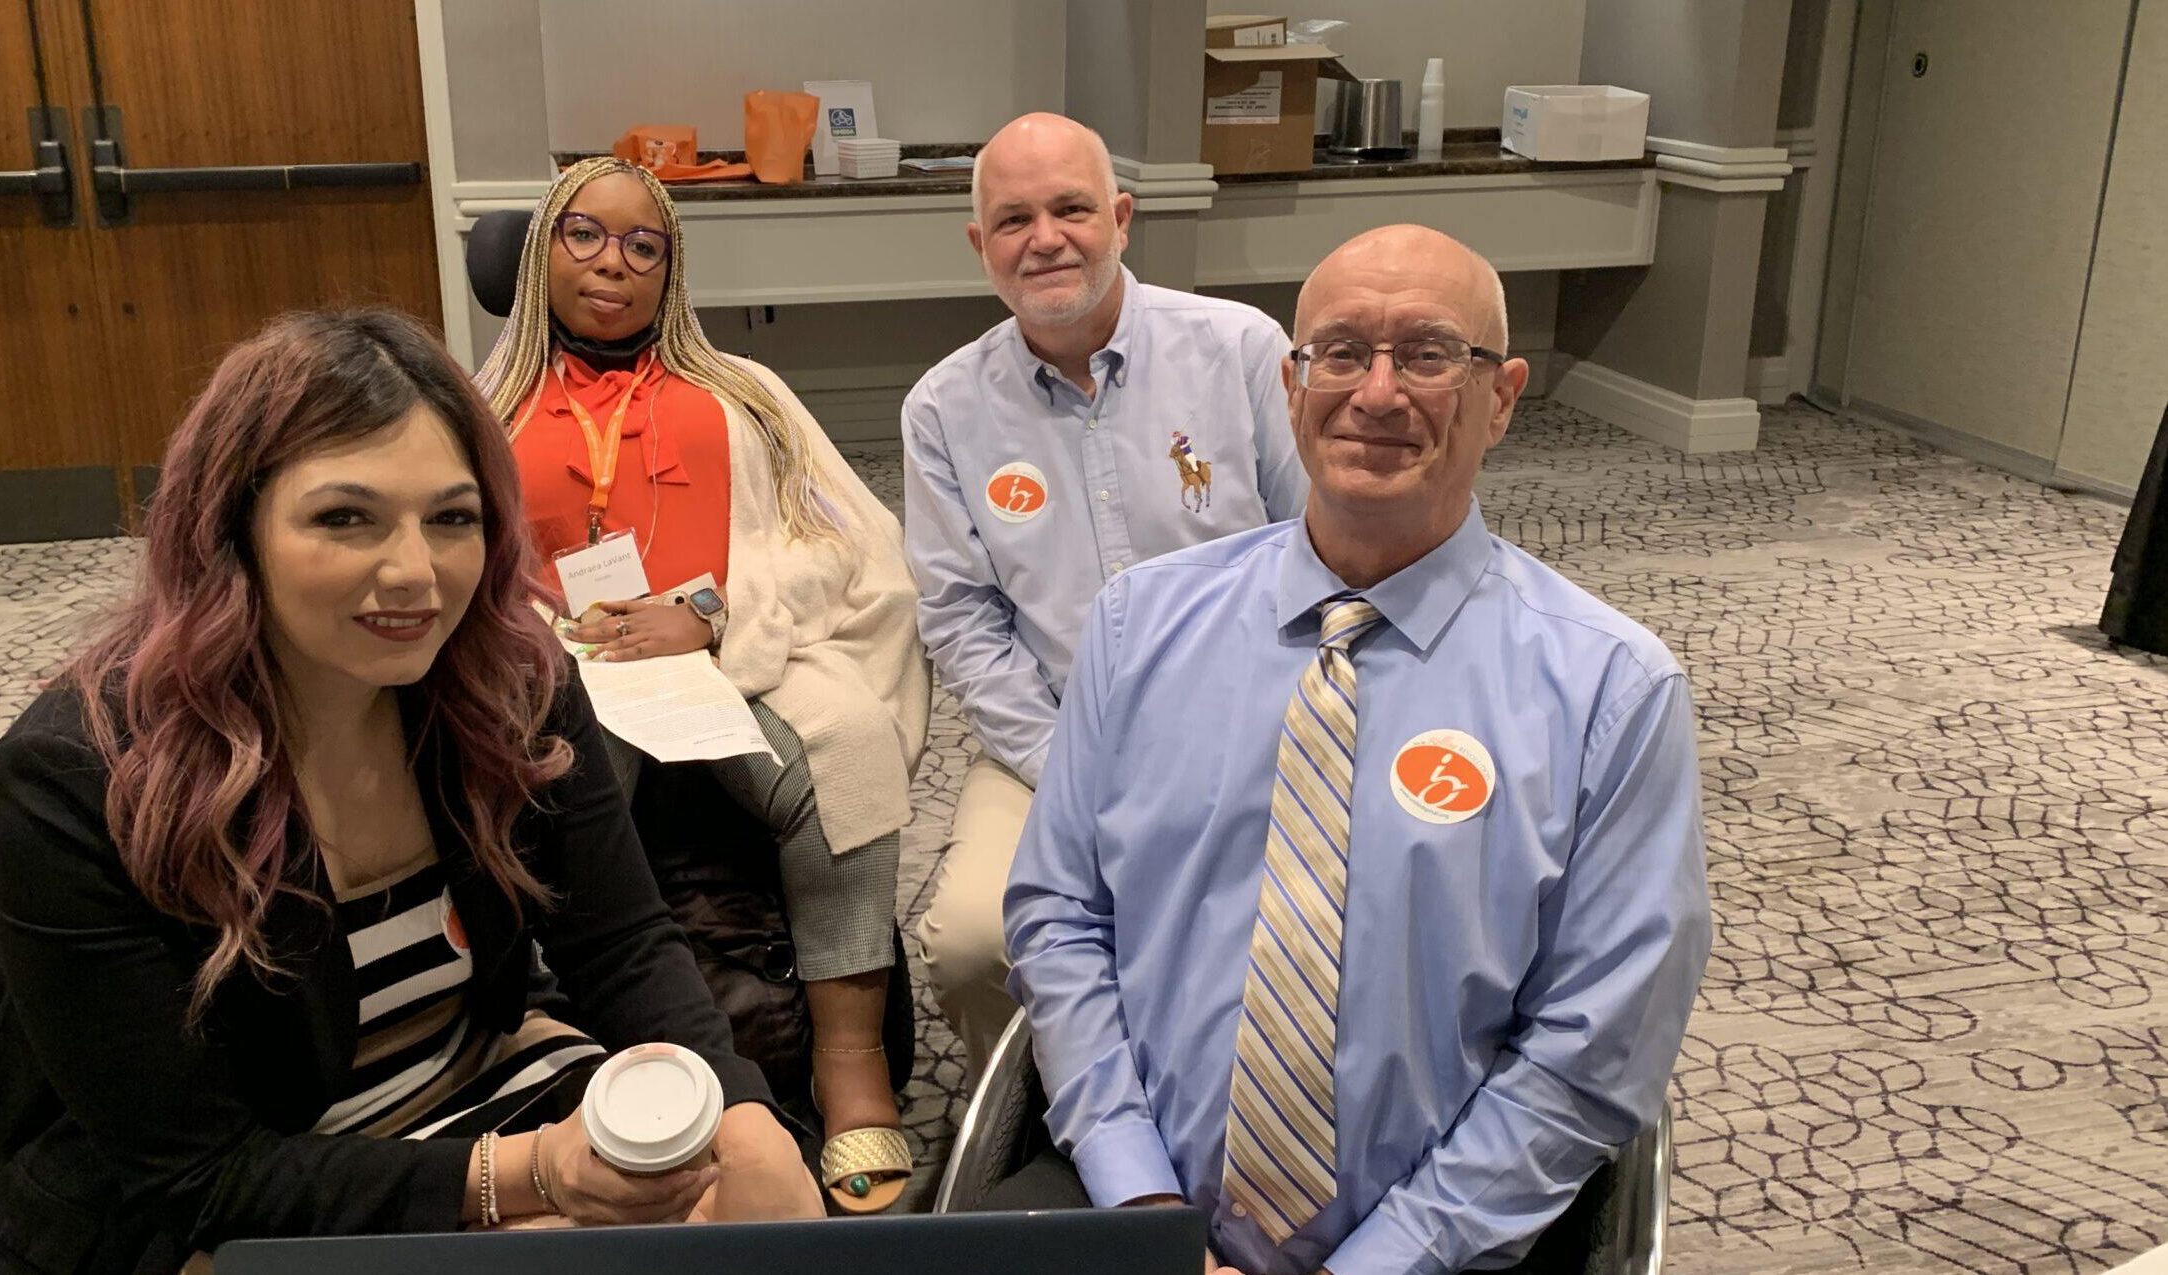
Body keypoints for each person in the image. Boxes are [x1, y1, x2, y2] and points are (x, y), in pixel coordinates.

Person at [0, 311, 821, 1275]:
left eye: (451, 518)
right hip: (225, 1178)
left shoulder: (512, 682)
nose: (416, 572)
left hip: (470, 1081)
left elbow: (618, 942)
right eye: (344, 517)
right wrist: (527, 1179)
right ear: (231, 527)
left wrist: (745, 1120)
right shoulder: (76, 774)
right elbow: (196, 1175)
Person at [1005, 226, 1712, 1274]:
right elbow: (1059, 917)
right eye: (1338, 353)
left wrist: (1385, 1263)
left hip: (1444, 1251)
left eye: (1427, 354)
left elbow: (1593, 1046)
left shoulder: (1609, 690)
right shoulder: (1137, 629)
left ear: (1503, 398)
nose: (1375, 394)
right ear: (1292, 386)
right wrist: (1142, 1203)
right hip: (1133, 1204)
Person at [474, 158, 929, 1211]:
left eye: (645, 245)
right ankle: (595, 1063)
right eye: (584, 235)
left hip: (728, 660)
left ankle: (850, 1062)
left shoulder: (745, 394)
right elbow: (446, 561)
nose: (613, 264)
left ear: (671, 271)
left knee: (851, 741)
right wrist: (551, 636)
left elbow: (844, 544)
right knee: (574, 777)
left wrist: (712, 614)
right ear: (542, 249)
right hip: (558, 671)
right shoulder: (479, 404)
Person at [902, 113, 1307, 1076]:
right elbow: (960, 620)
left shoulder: (1242, 350)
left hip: (1252, 728)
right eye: (1012, 220)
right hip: (1052, 738)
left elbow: (1324, 553)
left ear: (1120, 217)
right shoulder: (943, 410)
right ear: (980, 246)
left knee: (1304, 924)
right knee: (970, 945)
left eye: (1071, 208)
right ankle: (1038, 1117)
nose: (1044, 238)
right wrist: (1069, 768)